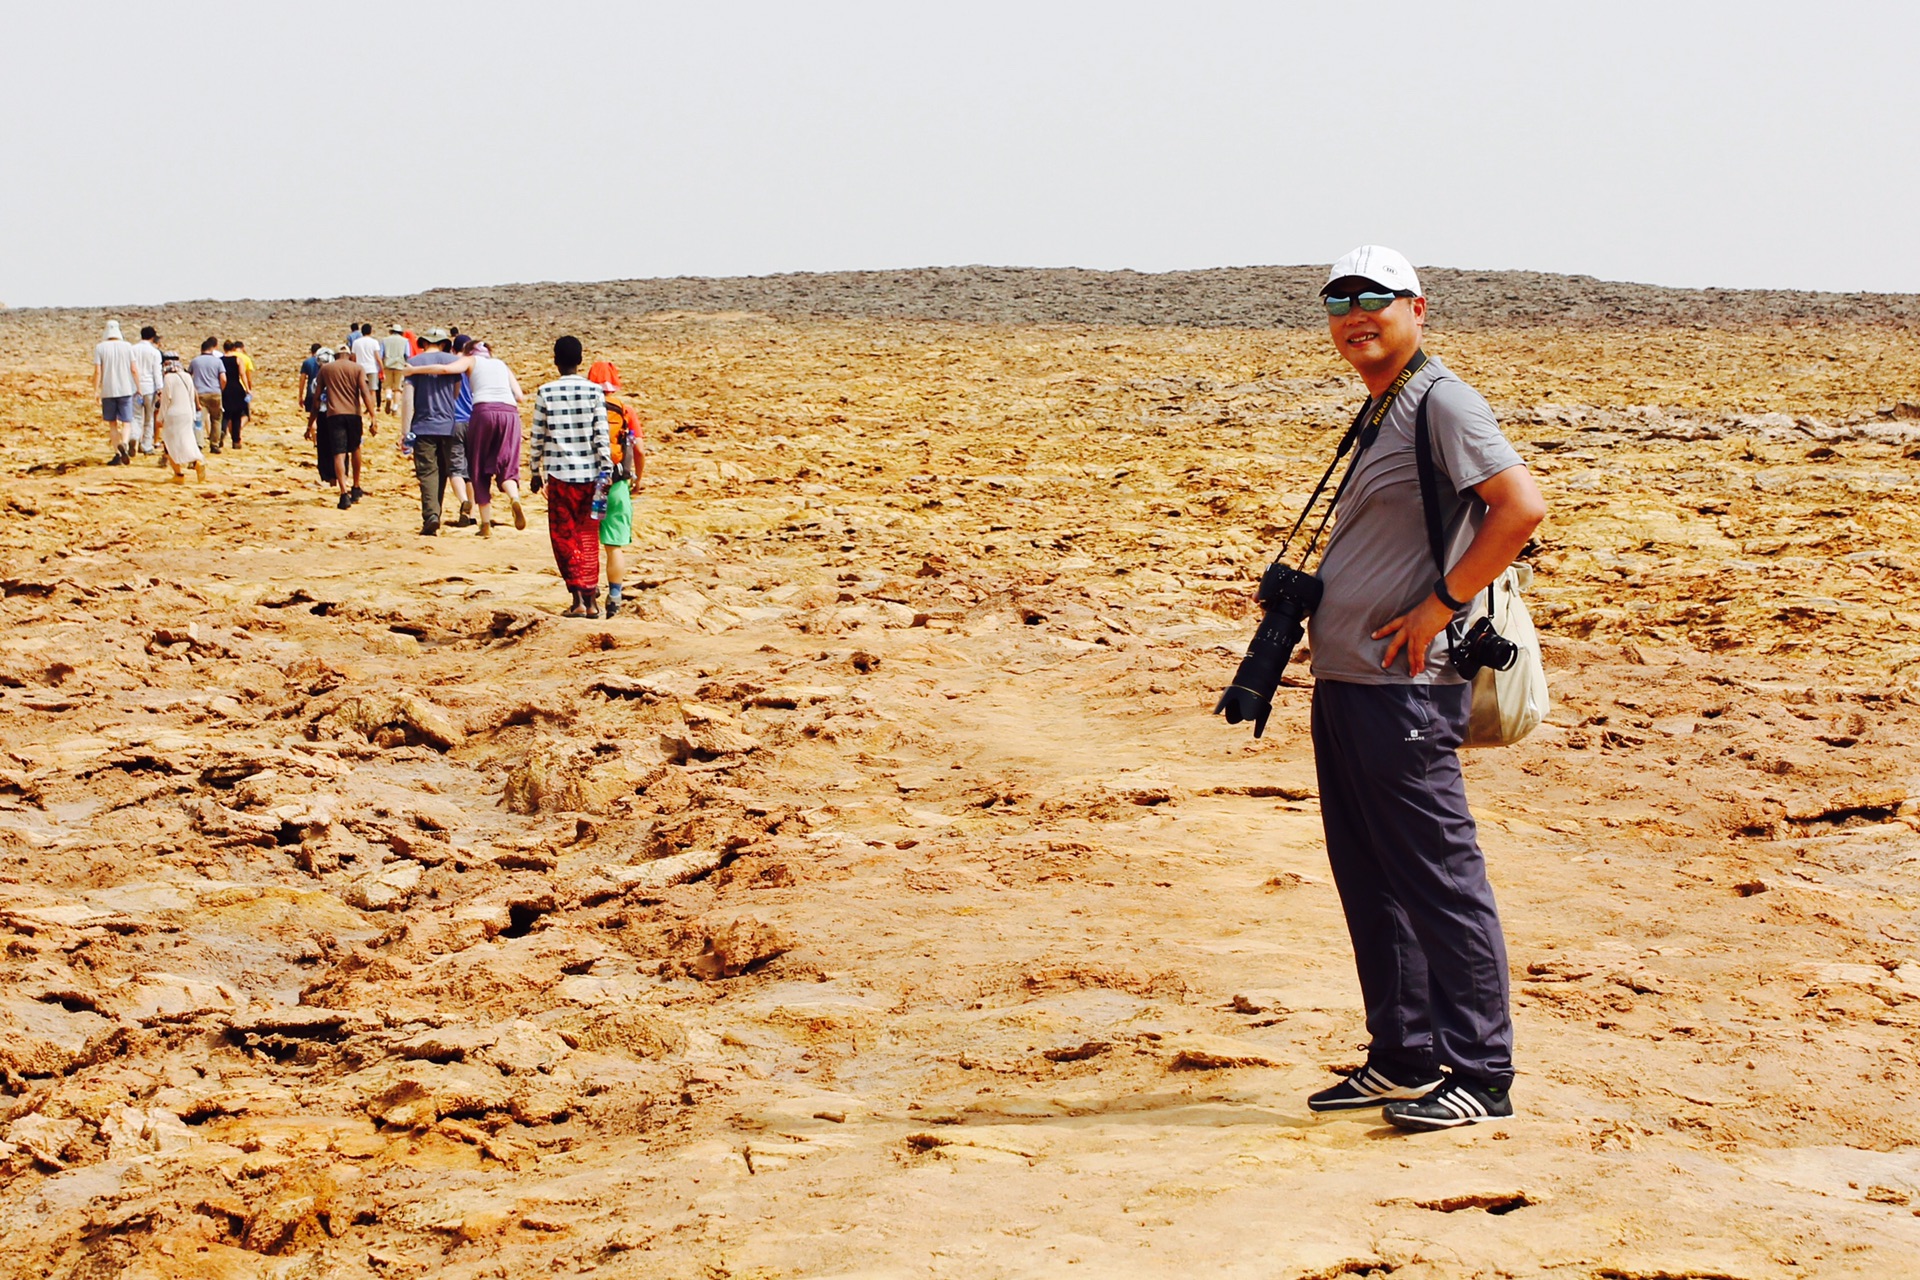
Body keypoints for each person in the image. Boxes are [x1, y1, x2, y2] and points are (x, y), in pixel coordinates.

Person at [1277, 246, 1545, 1132]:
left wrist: (1438, 606)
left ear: (1416, 308)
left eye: (1374, 299)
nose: (1356, 315)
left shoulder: (1443, 401)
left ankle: (1483, 1073)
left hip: (1406, 687)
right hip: (1350, 679)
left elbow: (1520, 507)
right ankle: (1402, 1055)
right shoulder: (1382, 407)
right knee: (1371, 875)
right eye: (1339, 301)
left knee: (1438, 876)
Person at [404, 338, 527, 536]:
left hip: (484, 410)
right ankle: (514, 498)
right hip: (510, 413)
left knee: (478, 467)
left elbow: (444, 370)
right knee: (506, 465)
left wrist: (414, 371)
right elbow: (519, 396)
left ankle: (485, 524)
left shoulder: (470, 361)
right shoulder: (501, 365)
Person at [530, 336, 611, 617]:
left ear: (555, 360)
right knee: (589, 535)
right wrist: (607, 470)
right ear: (580, 361)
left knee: (564, 536)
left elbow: (538, 434)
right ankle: (592, 601)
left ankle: (577, 598)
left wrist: (534, 471)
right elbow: (601, 435)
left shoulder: (546, 392)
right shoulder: (594, 392)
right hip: (591, 476)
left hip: (560, 476)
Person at [590, 360, 644, 614]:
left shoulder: (584, 409)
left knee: (585, 542)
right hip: (616, 481)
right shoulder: (626, 411)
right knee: (613, 546)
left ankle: (587, 595)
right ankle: (614, 597)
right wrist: (637, 478)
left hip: (587, 483)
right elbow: (639, 449)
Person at [400, 328, 464, 535]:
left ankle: (431, 515)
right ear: (444, 343)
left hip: (422, 425)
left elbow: (408, 400)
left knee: (428, 472)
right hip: (447, 424)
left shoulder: (414, 362)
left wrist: (405, 431)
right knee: (444, 471)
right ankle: (436, 512)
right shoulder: (451, 361)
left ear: (424, 343)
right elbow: (455, 394)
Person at [316, 344, 378, 509]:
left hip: (334, 414)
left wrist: (311, 422)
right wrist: (373, 416)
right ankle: (356, 487)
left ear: (336, 356)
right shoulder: (357, 368)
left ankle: (343, 493)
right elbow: (365, 392)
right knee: (355, 448)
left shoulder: (326, 369)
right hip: (353, 413)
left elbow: (317, 397)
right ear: (350, 355)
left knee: (339, 453)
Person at [93, 320, 140, 464]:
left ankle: (117, 454)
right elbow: (133, 369)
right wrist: (139, 388)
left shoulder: (100, 348)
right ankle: (124, 443)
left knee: (112, 423)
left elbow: (97, 371)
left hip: (108, 390)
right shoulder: (127, 347)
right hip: (125, 389)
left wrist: (96, 390)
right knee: (127, 421)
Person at [157, 351, 206, 483]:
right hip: (187, 413)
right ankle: (196, 463)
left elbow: (166, 400)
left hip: (173, 414)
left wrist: (159, 418)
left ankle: (178, 475)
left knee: (170, 444)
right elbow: (191, 397)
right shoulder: (187, 376)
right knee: (187, 440)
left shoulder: (168, 378)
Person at [132, 326, 164, 457]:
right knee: (149, 417)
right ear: (152, 337)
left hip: (135, 387)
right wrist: (160, 388)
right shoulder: (154, 352)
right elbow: (157, 372)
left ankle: (134, 438)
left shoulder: (132, 349)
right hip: (149, 388)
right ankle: (146, 445)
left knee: (136, 416)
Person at [189, 337, 225, 454]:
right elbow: (223, 378)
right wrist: (220, 389)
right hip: (215, 392)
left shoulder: (195, 361)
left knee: (199, 420)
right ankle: (214, 444)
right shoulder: (218, 361)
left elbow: (189, 376)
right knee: (216, 419)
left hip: (200, 394)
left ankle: (199, 443)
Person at [351, 323, 384, 413]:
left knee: (359, 390)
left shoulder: (356, 342)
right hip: (372, 368)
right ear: (371, 331)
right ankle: (371, 409)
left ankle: (359, 408)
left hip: (360, 368)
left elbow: (353, 357)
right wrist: (382, 370)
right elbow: (378, 358)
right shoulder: (374, 342)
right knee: (372, 391)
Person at [381, 323, 409, 414]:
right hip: (400, 366)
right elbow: (407, 355)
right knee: (398, 388)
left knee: (387, 385)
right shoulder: (405, 341)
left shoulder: (384, 340)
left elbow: (381, 354)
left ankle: (388, 396)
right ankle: (395, 407)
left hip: (388, 365)